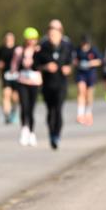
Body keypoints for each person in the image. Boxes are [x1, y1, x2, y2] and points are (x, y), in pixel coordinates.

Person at [35, 19, 73, 150]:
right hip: (47, 84)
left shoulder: (66, 46)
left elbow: (71, 62)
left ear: (60, 34)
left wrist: (68, 68)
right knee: (50, 111)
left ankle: (57, 135)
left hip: (61, 84)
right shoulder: (42, 47)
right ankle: (51, 134)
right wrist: (46, 67)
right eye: (50, 34)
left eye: (55, 34)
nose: (52, 37)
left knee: (58, 110)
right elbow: (35, 65)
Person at [12, 27, 42, 147]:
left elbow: (41, 65)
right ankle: (24, 129)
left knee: (31, 108)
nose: (31, 42)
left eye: (33, 39)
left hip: (35, 82)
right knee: (24, 106)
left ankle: (32, 132)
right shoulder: (19, 51)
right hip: (22, 81)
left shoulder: (39, 51)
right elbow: (14, 66)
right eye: (29, 39)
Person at [73, 35, 102, 125]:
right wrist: (79, 63)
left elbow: (100, 60)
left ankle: (88, 113)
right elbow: (74, 60)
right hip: (81, 74)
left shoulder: (93, 50)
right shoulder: (77, 50)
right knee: (81, 91)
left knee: (89, 95)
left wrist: (90, 63)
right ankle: (80, 114)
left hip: (90, 74)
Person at [0, 32, 19, 124]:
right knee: (6, 94)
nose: (8, 40)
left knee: (15, 97)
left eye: (10, 38)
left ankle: (14, 110)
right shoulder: (1, 49)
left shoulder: (17, 49)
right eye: (7, 38)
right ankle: (7, 115)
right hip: (6, 75)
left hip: (16, 75)